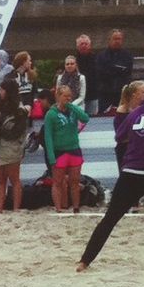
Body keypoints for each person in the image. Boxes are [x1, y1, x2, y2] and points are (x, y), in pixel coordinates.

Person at [77, 75, 144, 270]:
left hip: (129, 172)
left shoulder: (135, 113)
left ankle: (85, 261)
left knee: (111, 218)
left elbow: (120, 137)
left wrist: (139, 139)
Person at [43, 84, 91, 213]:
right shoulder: (51, 114)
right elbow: (48, 136)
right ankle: (59, 207)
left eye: (70, 96)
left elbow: (85, 118)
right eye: (65, 96)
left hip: (74, 149)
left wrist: (72, 107)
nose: (68, 98)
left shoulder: (73, 110)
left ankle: (76, 207)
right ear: (58, 96)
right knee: (58, 182)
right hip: (59, 151)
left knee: (75, 181)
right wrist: (51, 156)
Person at [0, 79, 28, 213]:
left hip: (12, 148)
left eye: (2, 90)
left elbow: (15, 133)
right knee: (1, 180)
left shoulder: (20, 111)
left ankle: (16, 208)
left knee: (14, 179)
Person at [95, 29, 134, 113]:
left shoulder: (127, 55)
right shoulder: (101, 56)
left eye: (119, 39)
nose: (117, 41)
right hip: (105, 93)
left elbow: (127, 72)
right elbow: (100, 73)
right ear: (109, 40)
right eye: (115, 39)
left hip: (122, 93)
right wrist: (118, 69)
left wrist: (111, 68)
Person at [114, 81, 144, 172]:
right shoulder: (122, 111)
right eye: (143, 92)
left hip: (142, 148)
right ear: (134, 95)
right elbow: (120, 136)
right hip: (126, 149)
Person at [73, 35, 98, 115]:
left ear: (90, 46)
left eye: (86, 44)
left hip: (92, 95)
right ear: (77, 46)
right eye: (81, 44)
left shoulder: (96, 59)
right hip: (77, 97)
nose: (84, 46)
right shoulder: (73, 60)